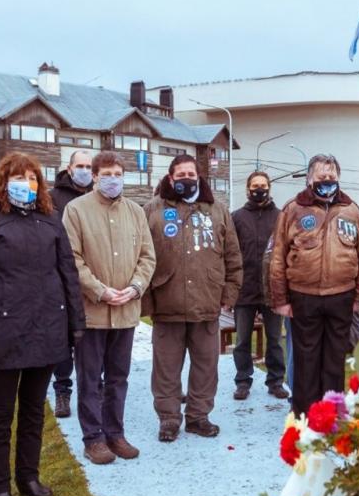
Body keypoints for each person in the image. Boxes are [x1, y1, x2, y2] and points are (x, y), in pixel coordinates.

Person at [0, 152, 86, 496]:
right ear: (3, 182)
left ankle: (28, 477)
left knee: (33, 410)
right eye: (19, 178)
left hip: (46, 330)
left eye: (33, 178)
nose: (26, 184)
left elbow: (68, 275)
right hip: (2, 334)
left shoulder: (51, 221)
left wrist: (76, 323)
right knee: (0, 414)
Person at [63, 151, 155, 464]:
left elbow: (147, 256)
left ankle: (115, 433)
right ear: (95, 176)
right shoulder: (76, 210)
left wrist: (135, 287)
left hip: (126, 311)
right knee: (90, 379)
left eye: (118, 173)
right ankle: (93, 438)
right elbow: (71, 258)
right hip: (92, 312)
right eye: (106, 174)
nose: (112, 179)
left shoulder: (135, 211)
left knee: (119, 377)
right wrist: (100, 291)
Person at [142, 154, 242, 442]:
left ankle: (198, 417)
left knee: (206, 366)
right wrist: (147, 302)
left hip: (206, 302)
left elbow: (233, 256)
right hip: (167, 302)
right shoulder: (152, 209)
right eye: (181, 174)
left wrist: (230, 293)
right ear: (171, 178)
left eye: (191, 174)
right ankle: (169, 419)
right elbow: (141, 257)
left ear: (199, 177)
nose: (187, 178)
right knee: (166, 369)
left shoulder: (217, 210)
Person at [269, 154, 359, 416]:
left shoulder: (351, 210)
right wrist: (280, 300)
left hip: (341, 297)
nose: (327, 181)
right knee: (306, 361)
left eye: (332, 177)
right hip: (304, 297)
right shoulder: (293, 209)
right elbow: (277, 257)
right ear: (309, 178)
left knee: (334, 362)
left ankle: (331, 416)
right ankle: (305, 416)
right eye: (322, 177)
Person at [231, 171, 287, 401]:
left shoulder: (281, 217)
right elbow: (230, 254)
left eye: (263, 185)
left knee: (275, 339)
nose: (259, 189)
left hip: (272, 290)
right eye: (255, 185)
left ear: (269, 188)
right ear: (247, 189)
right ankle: (243, 381)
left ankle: (275, 381)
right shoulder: (237, 217)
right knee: (242, 340)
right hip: (244, 290)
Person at [49, 150, 94, 418]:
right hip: (63, 276)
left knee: (92, 337)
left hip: (92, 277)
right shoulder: (54, 198)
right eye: (80, 166)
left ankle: (93, 386)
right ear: (69, 168)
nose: (85, 170)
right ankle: (63, 391)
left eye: (89, 166)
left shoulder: (97, 196)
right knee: (66, 338)